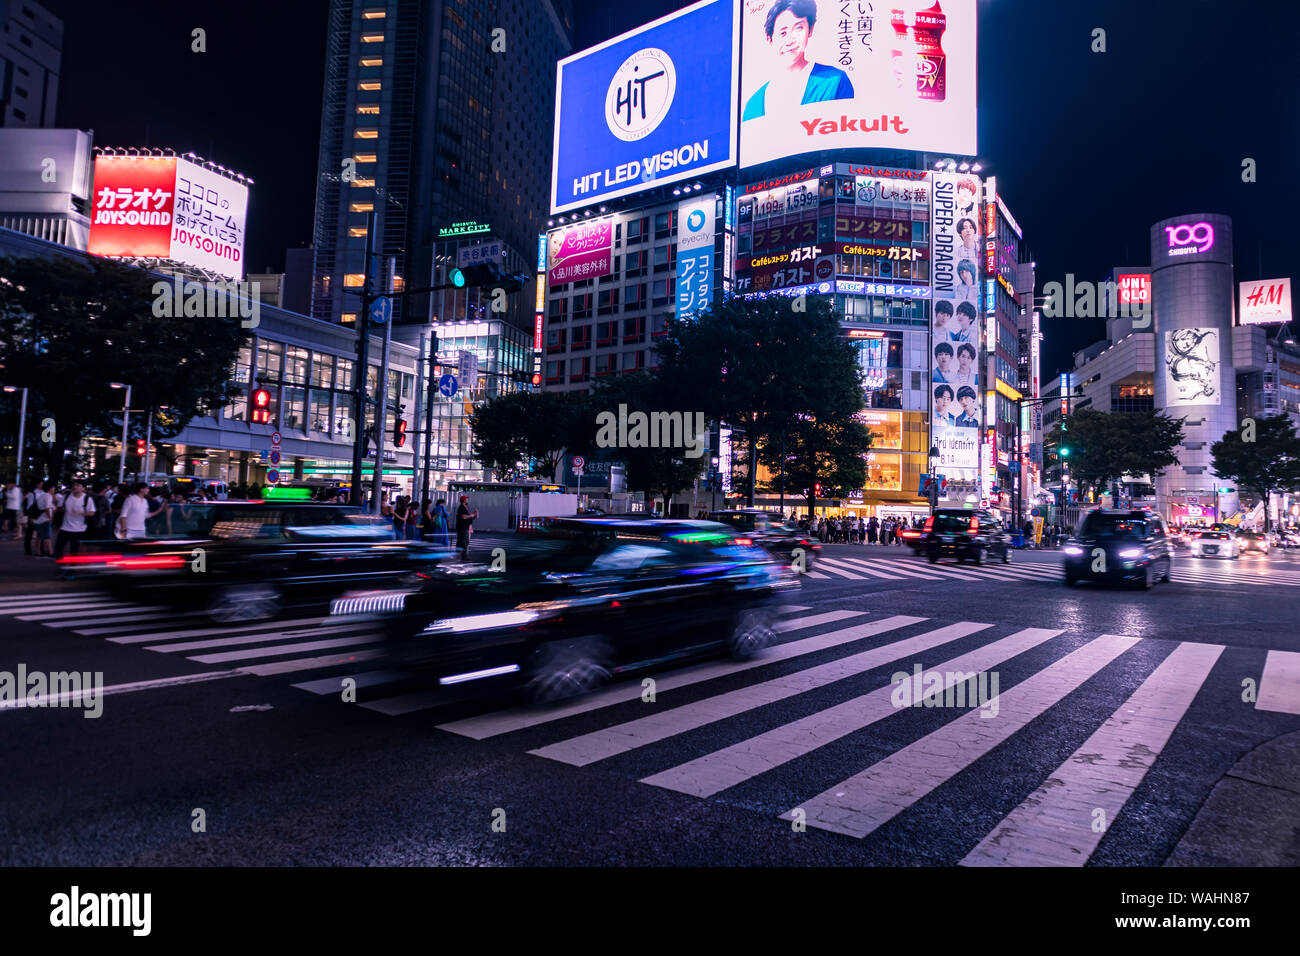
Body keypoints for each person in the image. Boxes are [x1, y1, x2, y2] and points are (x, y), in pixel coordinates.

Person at [742, 0, 854, 121]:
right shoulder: (754, 106)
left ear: (810, 30)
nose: (790, 40)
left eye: (798, 28)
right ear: (770, 39)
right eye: (783, 32)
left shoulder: (834, 81)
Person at [54, 480, 95, 574]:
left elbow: (92, 512)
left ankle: (72, 570)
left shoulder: (87, 499)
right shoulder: (66, 496)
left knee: (74, 552)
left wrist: (81, 513)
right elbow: (59, 508)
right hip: (65, 528)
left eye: (78, 485)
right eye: (74, 484)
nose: (75, 486)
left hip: (79, 529)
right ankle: (62, 566)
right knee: (58, 549)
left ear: (83, 488)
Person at [30, 480, 55, 557]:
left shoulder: (42, 495)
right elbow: (47, 508)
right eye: (53, 488)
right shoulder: (48, 496)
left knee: (39, 537)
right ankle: (51, 552)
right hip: (45, 519)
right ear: (50, 488)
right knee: (47, 537)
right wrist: (50, 517)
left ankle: (38, 552)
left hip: (38, 519)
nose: (54, 489)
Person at [455, 494, 478, 559]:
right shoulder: (462, 507)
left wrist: (474, 514)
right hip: (462, 527)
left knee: (462, 541)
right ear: (464, 500)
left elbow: (468, 517)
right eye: (466, 499)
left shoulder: (465, 507)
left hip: (466, 526)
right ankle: (464, 556)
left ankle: (460, 554)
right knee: (465, 541)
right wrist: (471, 515)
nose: (467, 500)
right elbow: (463, 516)